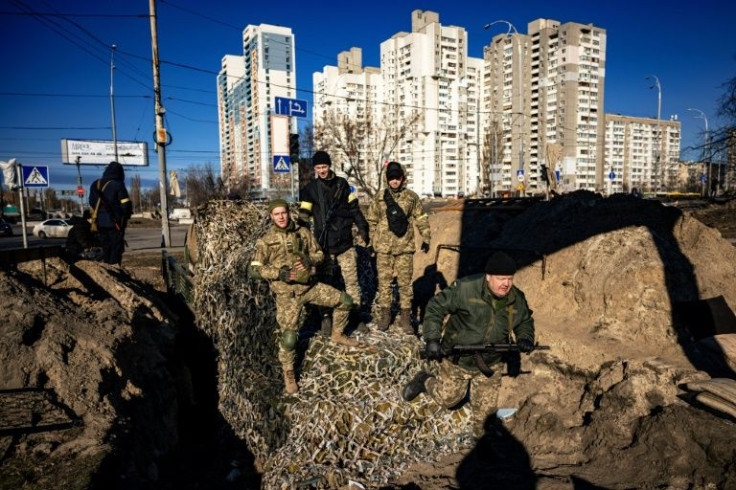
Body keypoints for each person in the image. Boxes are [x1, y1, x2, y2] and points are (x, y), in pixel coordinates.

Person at [401, 251, 536, 436]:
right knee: (447, 399)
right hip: (458, 358)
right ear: (488, 276)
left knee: (485, 417)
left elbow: (525, 321)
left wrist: (525, 337)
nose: (506, 284)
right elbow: (435, 307)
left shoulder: (516, 298)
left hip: (491, 362)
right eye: (501, 278)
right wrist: (432, 339)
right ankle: (424, 380)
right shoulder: (465, 289)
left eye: (510, 278)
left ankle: (482, 450)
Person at [248, 199, 360, 394]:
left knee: (346, 301)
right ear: (271, 217)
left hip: (310, 287)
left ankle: (337, 334)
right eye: (276, 214)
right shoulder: (266, 241)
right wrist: (279, 273)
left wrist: (309, 260)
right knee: (290, 339)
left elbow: (319, 254)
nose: (281, 217)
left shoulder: (303, 232)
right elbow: (254, 270)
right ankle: (288, 373)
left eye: (283, 213)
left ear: (288, 213)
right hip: (288, 296)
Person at [298, 150, 370, 334]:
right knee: (326, 284)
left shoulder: (343, 185)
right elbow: (303, 217)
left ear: (330, 166)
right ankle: (326, 318)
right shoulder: (310, 189)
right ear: (315, 168)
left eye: (324, 166)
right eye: (318, 167)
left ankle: (354, 316)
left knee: (352, 283)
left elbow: (355, 209)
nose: (322, 170)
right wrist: (301, 239)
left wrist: (363, 228)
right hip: (324, 247)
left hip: (345, 244)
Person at [365, 161, 431, 334]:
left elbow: (420, 217)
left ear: (402, 178)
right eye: (391, 178)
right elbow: (372, 221)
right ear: (387, 179)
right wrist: (370, 243)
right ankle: (385, 316)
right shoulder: (379, 197)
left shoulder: (411, 197)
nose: (394, 181)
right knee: (384, 284)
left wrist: (426, 237)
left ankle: (405, 318)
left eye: (397, 178)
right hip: (384, 248)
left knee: (405, 284)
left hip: (404, 247)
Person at [89, 161, 132, 265]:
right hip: (115, 222)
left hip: (99, 223)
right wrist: (125, 216)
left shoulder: (95, 184)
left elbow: (91, 202)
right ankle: (115, 268)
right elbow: (125, 205)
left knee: (105, 246)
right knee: (116, 247)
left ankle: (107, 267)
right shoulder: (118, 184)